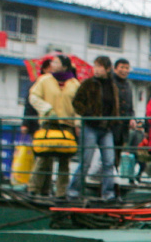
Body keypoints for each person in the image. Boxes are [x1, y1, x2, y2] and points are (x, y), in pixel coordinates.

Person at [27, 54, 80, 197]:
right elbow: (33, 97)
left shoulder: (75, 84)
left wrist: (78, 123)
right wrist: (46, 109)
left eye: (56, 62)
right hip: (48, 124)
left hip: (67, 125)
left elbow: (78, 106)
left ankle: (61, 192)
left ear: (64, 65)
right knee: (43, 157)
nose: (53, 64)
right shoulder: (44, 80)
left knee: (64, 161)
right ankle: (34, 188)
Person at [69, 56, 120, 201]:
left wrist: (114, 120)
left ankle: (108, 194)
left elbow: (114, 105)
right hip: (91, 126)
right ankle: (74, 191)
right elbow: (76, 102)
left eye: (100, 67)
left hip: (106, 128)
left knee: (109, 161)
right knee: (86, 160)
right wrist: (88, 113)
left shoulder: (112, 85)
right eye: (95, 66)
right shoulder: (88, 84)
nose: (96, 69)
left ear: (107, 69)